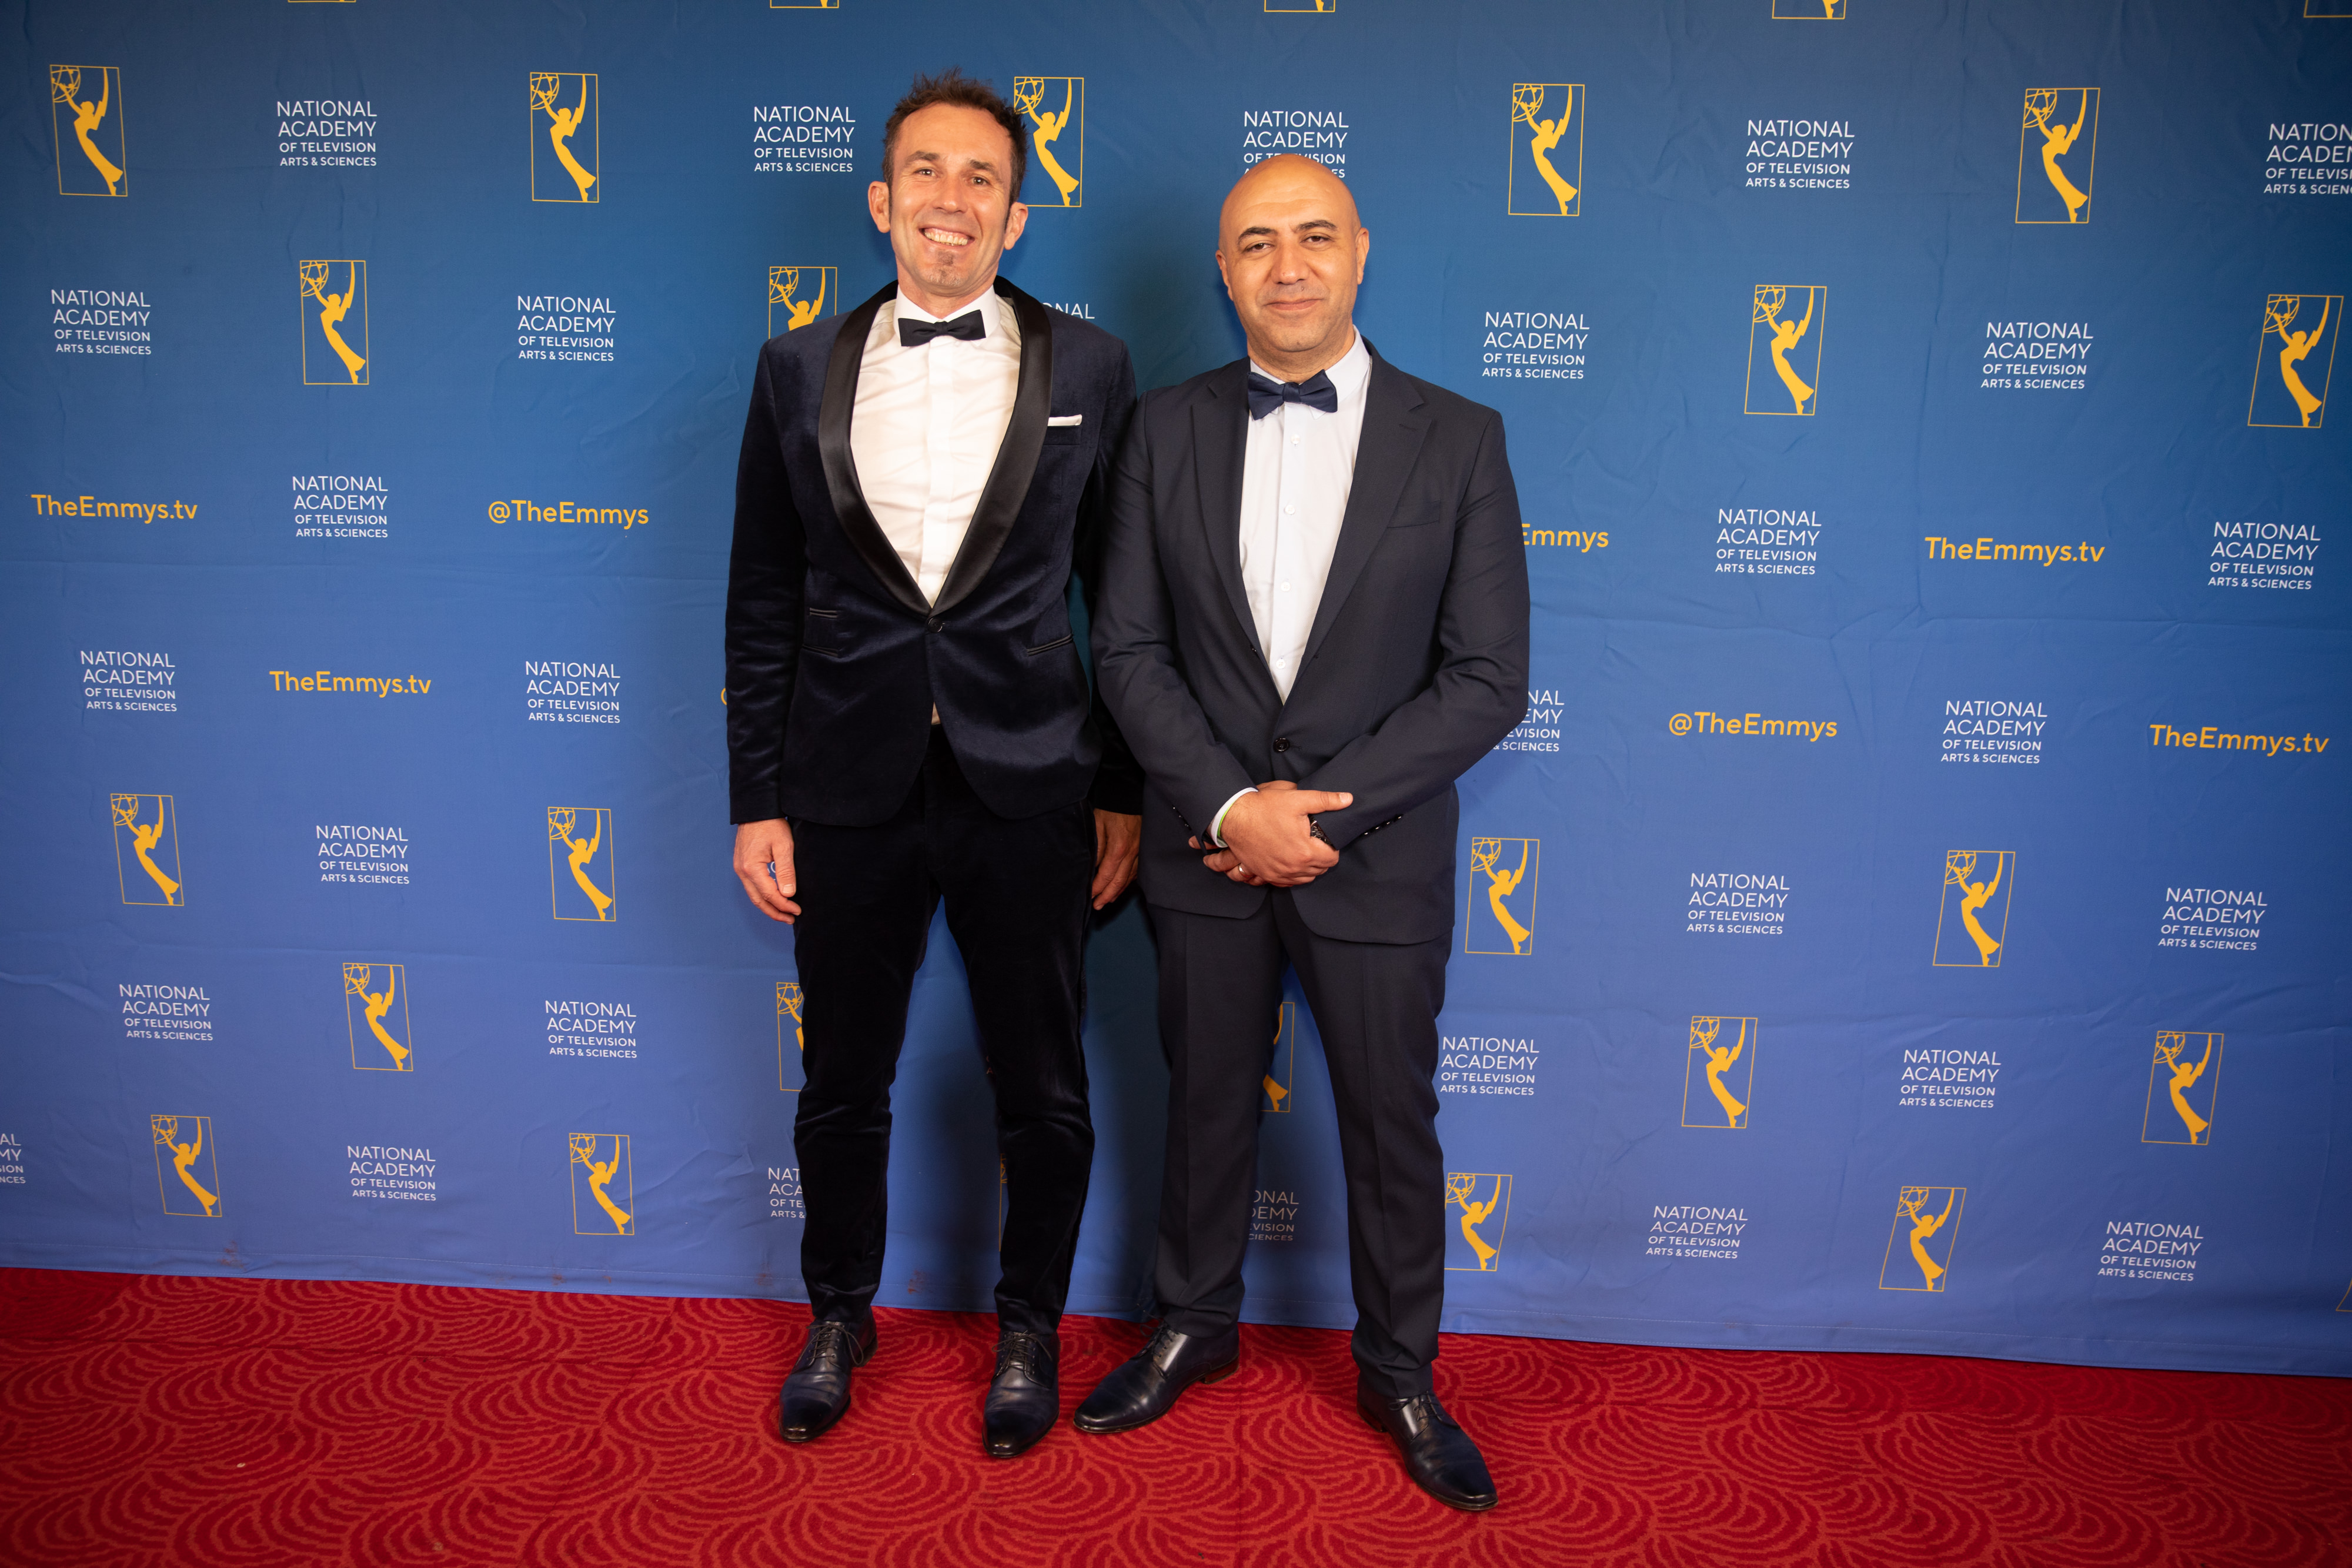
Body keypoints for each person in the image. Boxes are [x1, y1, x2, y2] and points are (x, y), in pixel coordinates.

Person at [1081, 154, 1529, 1512]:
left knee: (1391, 1125)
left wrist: (1311, 817)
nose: (1288, 265)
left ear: (1359, 251)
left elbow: (1486, 678)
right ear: (1222, 272)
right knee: (1201, 1103)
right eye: (1257, 242)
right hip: (1206, 847)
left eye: (1314, 236)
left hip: (1371, 856)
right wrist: (1230, 807)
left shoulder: (1460, 437)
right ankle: (1190, 1323)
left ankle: (1400, 1370)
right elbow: (1127, 648)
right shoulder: (1159, 430)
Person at [724, 67, 1142, 1460]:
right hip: (843, 783)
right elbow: (762, 597)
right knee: (841, 1081)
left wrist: (1122, 788)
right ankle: (838, 1314)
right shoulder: (794, 368)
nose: (948, 199)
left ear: (1014, 217)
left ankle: (1028, 1324)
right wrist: (756, 798)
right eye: (924, 171)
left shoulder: (1091, 367)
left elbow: (1123, 604)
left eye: (979, 178)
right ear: (879, 200)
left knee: (1044, 1086)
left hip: (1030, 777)